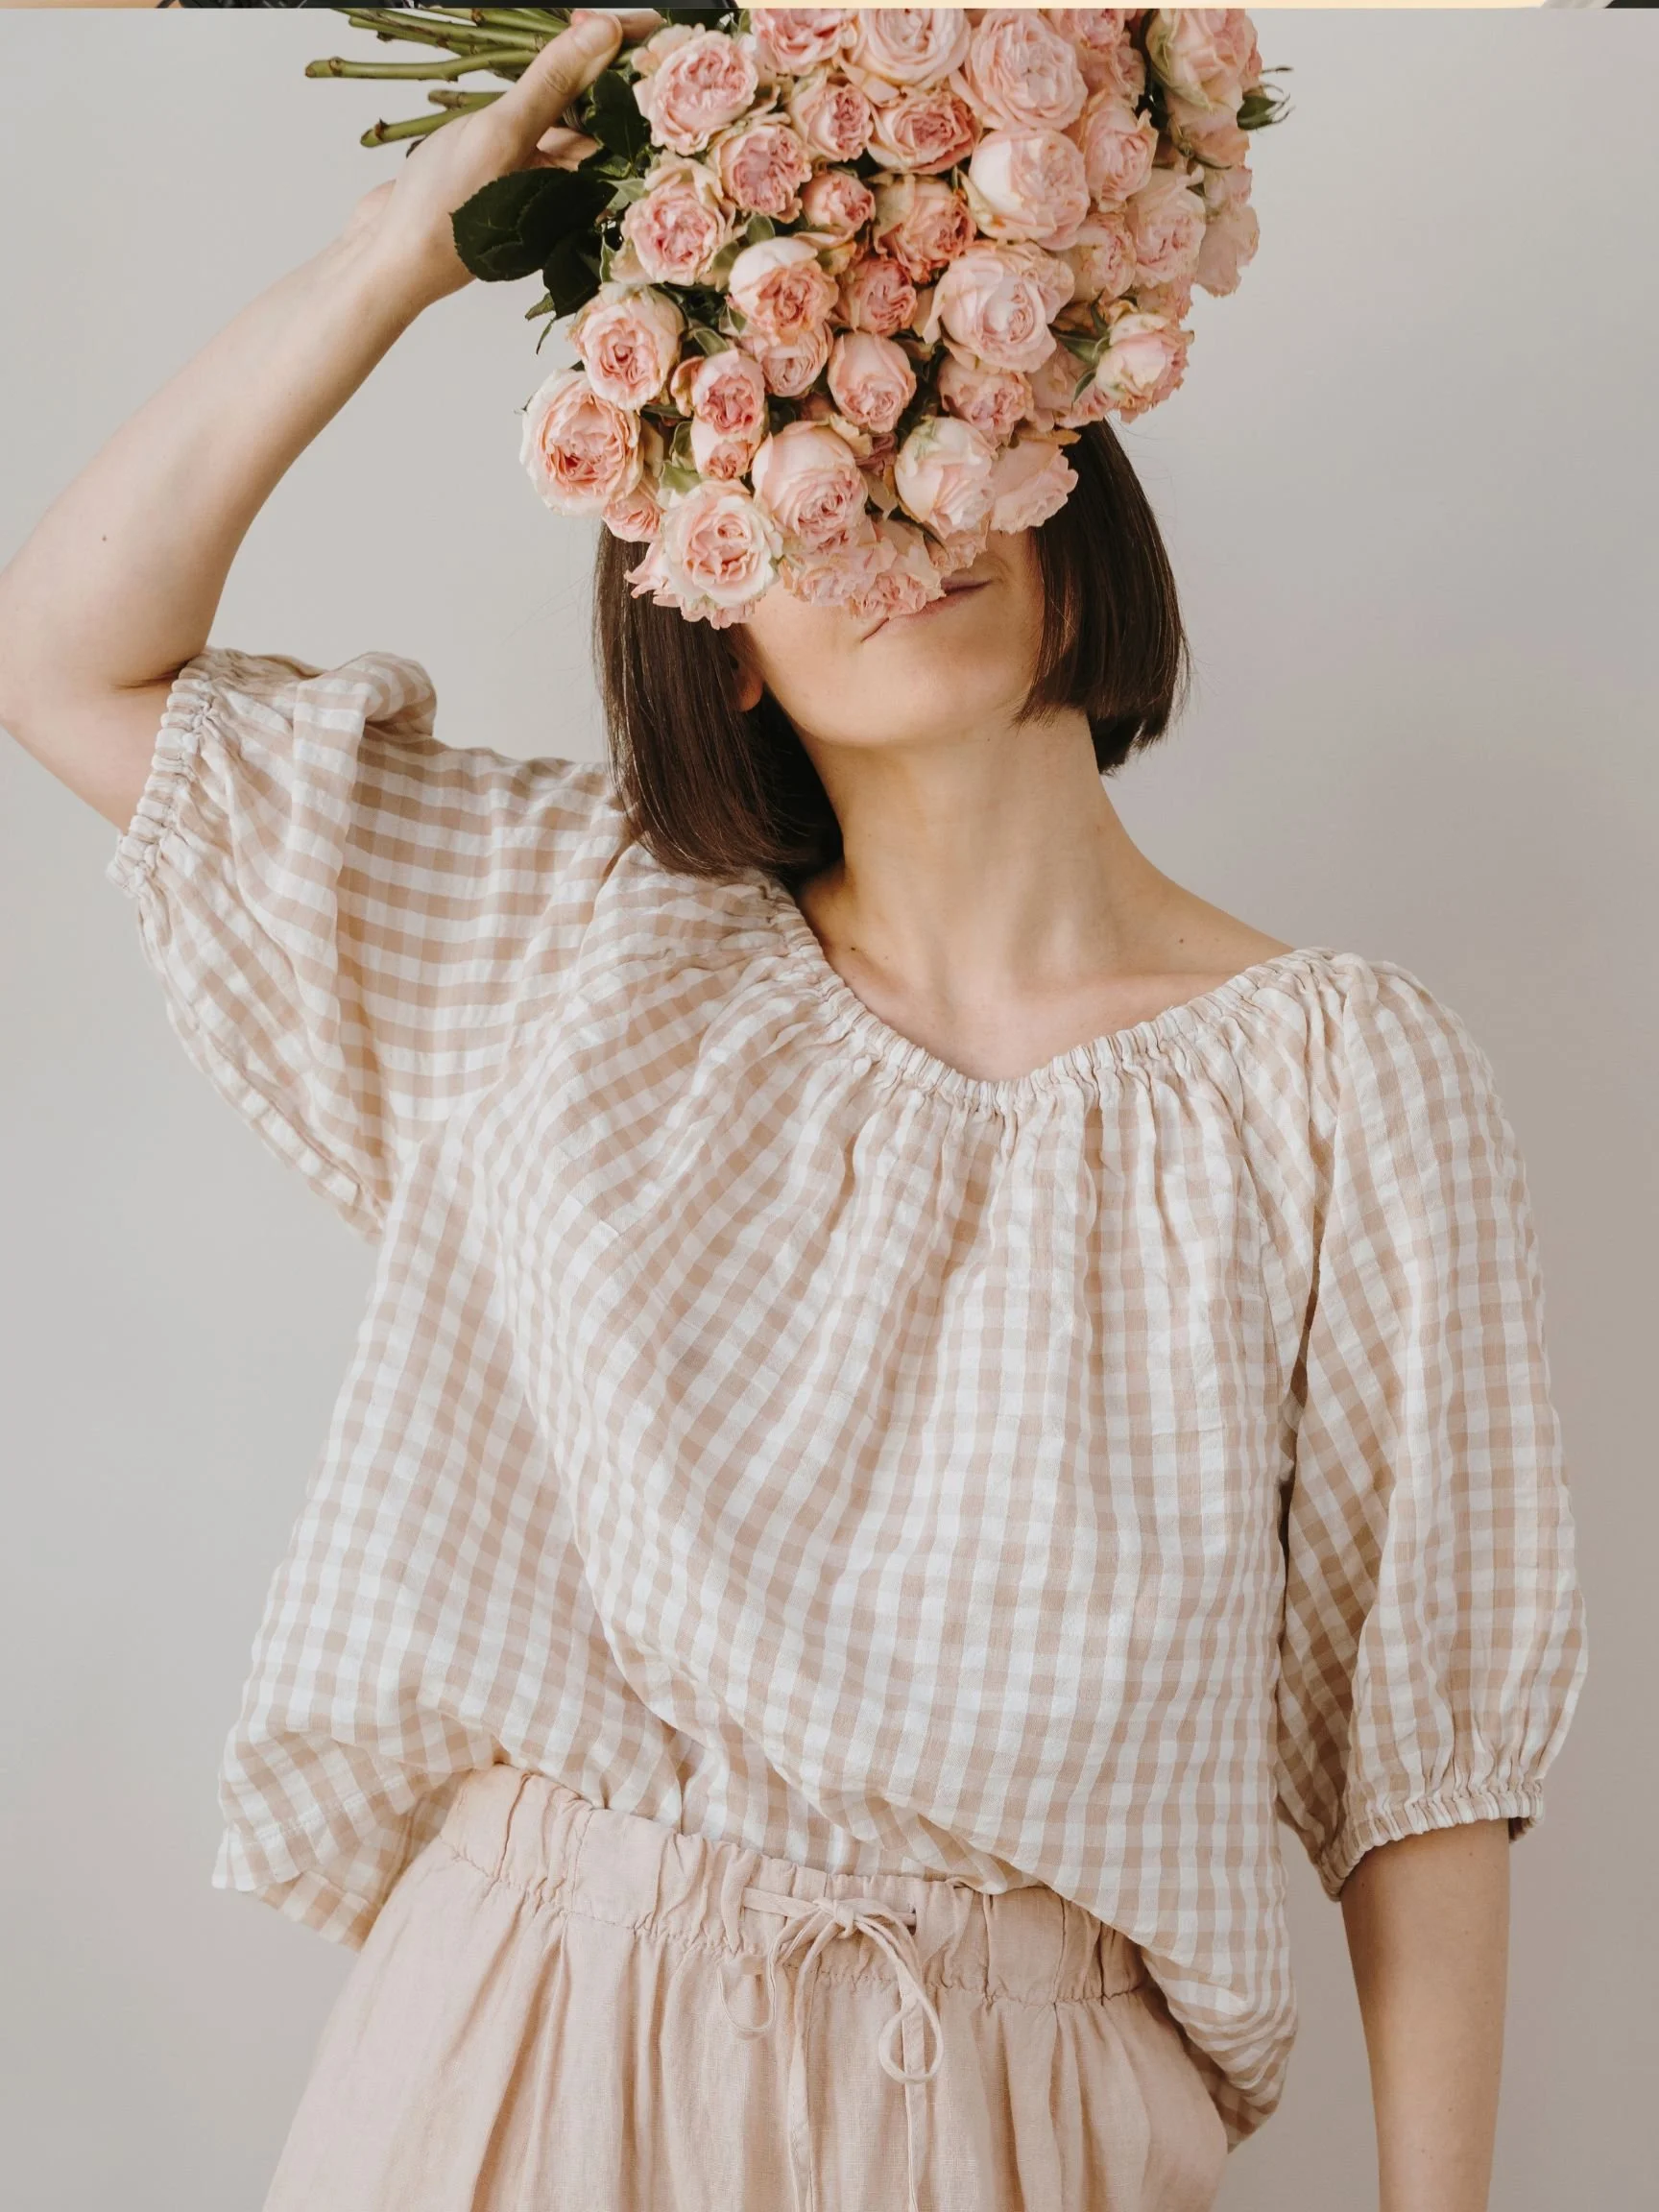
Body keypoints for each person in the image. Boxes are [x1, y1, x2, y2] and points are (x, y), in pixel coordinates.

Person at [0, 14, 1587, 2212]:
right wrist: (410, 247)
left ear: (1060, 480)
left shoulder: (1342, 1083)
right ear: (715, 618)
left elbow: (1426, 1751)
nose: (898, 485)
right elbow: (72, 657)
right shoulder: (575, 938)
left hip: (1028, 2113)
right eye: (812, 444)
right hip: (537, 2030)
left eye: (952, 401)